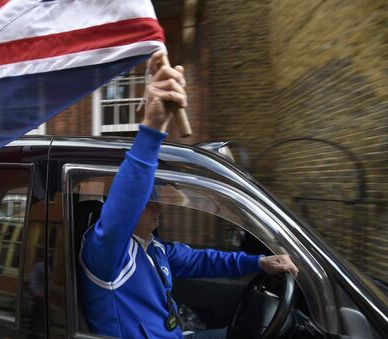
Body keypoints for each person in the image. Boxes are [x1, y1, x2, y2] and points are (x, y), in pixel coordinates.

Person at [79, 51, 298, 339]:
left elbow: (202, 260)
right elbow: (128, 198)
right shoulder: (106, 252)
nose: (157, 207)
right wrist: (152, 129)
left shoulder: (154, 249)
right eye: (149, 200)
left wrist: (258, 263)